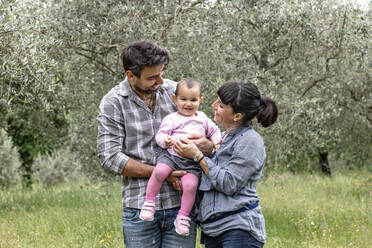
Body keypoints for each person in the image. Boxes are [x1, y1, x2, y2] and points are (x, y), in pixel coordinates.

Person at [97, 40, 214, 248]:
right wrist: (161, 173)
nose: (160, 80)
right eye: (152, 77)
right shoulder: (113, 102)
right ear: (130, 75)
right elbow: (110, 158)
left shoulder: (174, 92)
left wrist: (204, 144)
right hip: (139, 207)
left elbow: (206, 134)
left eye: (161, 73)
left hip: (181, 207)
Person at [174, 81, 278, 248]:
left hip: (238, 229)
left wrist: (198, 156)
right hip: (213, 230)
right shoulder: (221, 138)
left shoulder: (250, 141)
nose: (213, 105)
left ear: (237, 116)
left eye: (221, 105)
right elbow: (212, 180)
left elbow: (229, 183)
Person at [140, 78, 221, 236]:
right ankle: (149, 202)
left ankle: (183, 217)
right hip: (172, 156)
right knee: (160, 171)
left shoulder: (203, 118)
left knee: (191, 186)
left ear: (200, 100)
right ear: (175, 99)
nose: (188, 104)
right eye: (183, 99)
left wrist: (217, 144)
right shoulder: (172, 118)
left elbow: (215, 131)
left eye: (193, 100)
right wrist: (166, 141)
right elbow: (160, 136)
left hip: (191, 163)